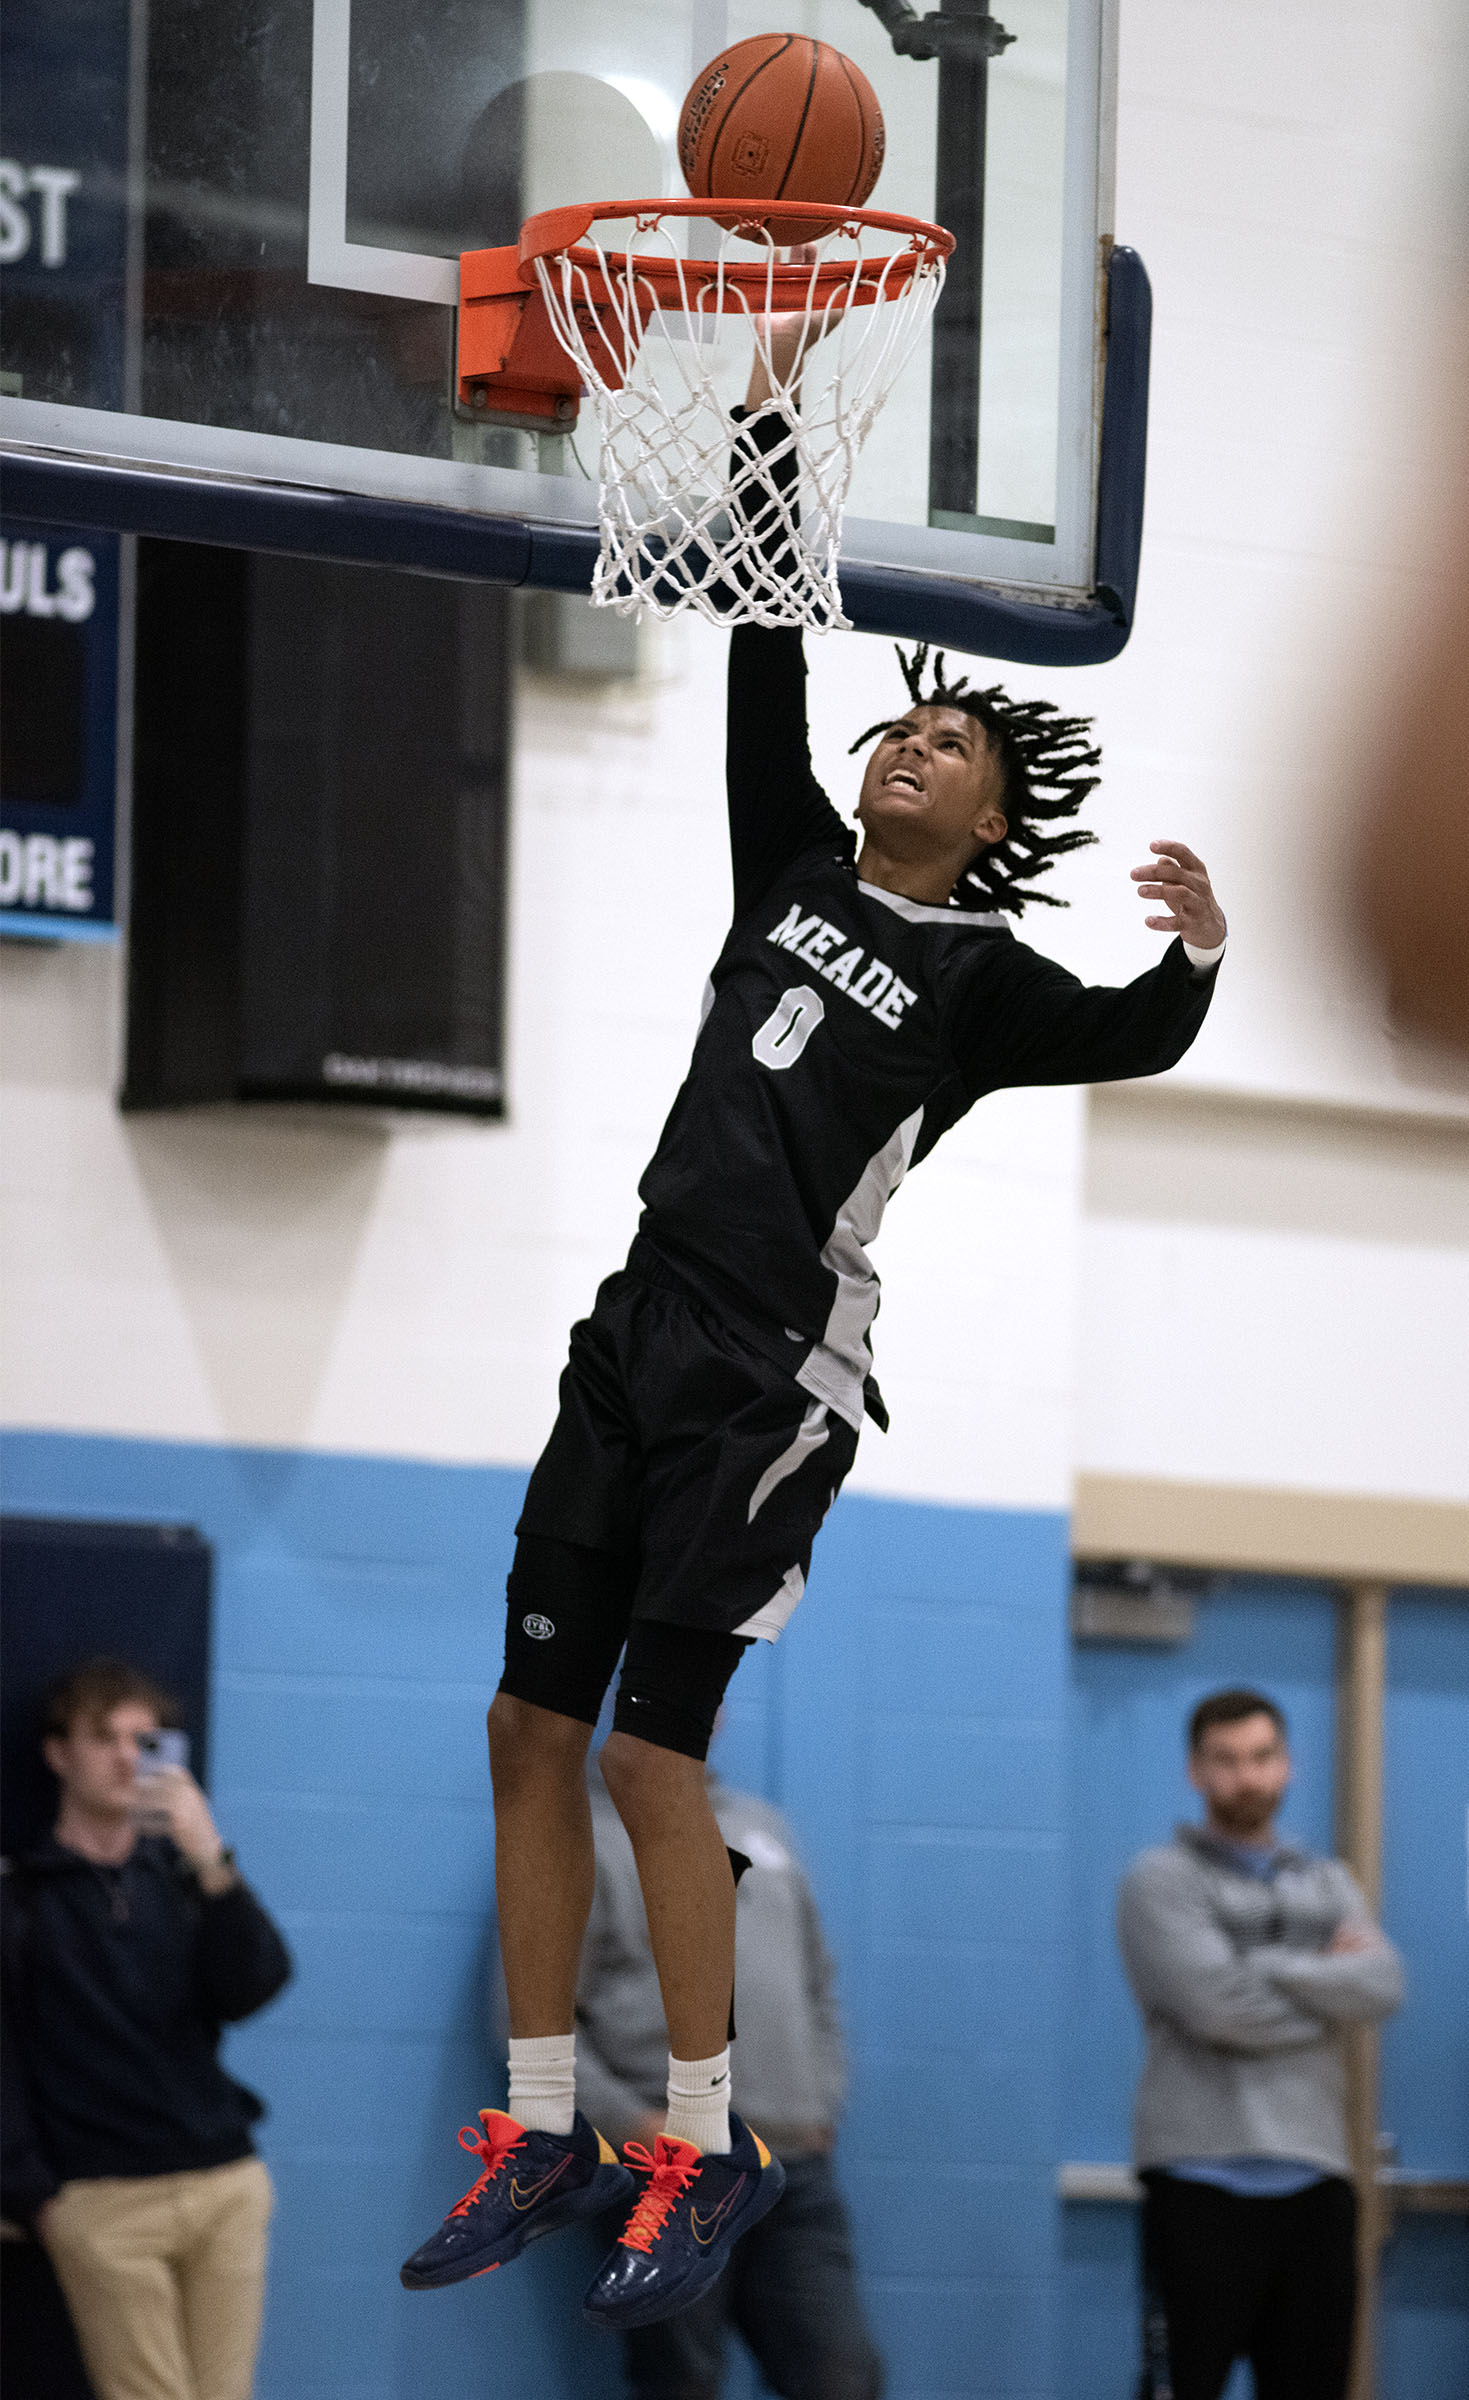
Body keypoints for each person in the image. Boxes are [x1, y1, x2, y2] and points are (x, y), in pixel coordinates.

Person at [400, 312, 1229, 2331]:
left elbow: (1136, 1030)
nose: (907, 744)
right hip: (633, 1323)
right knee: (523, 1729)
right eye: (903, 731)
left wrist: (1194, 945)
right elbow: (761, 652)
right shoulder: (783, 858)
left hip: (772, 1372)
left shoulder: (979, 981)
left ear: (991, 810)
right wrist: (771, 430)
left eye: (948, 743)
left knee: (647, 1767)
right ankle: (534, 2128)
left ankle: (701, 2139)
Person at [1, 1658, 293, 2400]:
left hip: (224, 2180)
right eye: (105, 1737)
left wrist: (211, 1859)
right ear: (58, 1753)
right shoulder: (23, 1897)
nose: (128, 1756)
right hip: (101, 2199)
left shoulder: (185, 1880)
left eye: (147, 1739)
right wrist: (37, 2196)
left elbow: (254, 1987)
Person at [1117, 1687, 1404, 2400]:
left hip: (1315, 2182)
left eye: (1262, 1757)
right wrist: (1322, 1990)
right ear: (1195, 1770)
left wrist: (1267, 1969)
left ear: (1287, 1765)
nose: (1247, 1776)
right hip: (1198, 2182)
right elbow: (1217, 2010)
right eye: (1227, 1760)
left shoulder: (1327, 1880)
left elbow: (1381, 1985)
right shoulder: (1160, 1880)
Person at [571, 1762, 881, 2399]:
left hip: (794, 2166)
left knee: (842, 2376)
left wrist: (822, 2098)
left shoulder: (764, 1827)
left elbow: (817, 1981)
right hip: (669, 2171)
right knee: (682, 2383)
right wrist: (634, 2125)